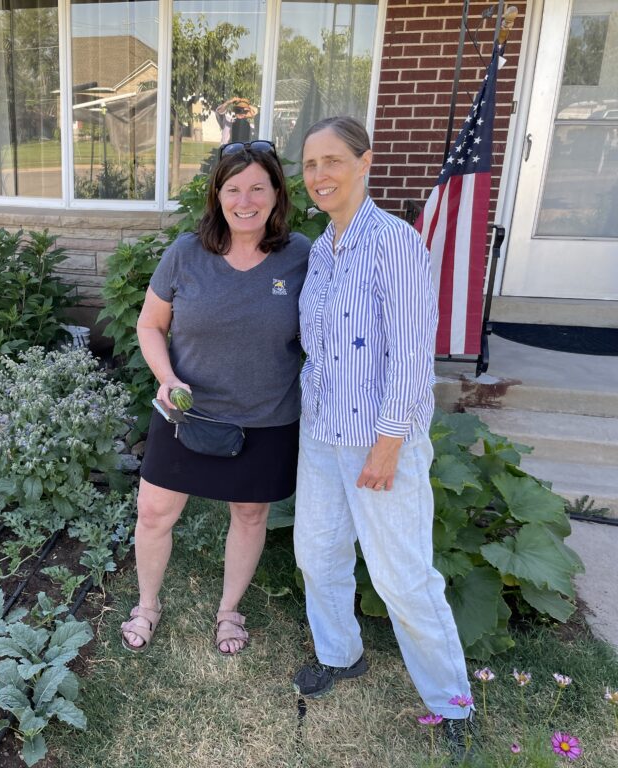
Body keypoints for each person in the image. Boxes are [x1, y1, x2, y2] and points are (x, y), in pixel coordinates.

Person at [292, 116, 475, 756]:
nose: (320, 176)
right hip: (322, 434)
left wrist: (390, 442)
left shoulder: (396, 244)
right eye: (311, 164)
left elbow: (410, 356)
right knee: (317, 555)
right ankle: (341, 655)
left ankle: (451, 700)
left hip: (379, 438)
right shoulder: (321, 249)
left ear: (364, 162)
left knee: (401, 576)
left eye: (333, 161)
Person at [121, 141, 310, 656]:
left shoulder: (301, 256)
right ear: (217, 195)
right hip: (186, 413)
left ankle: (229, 613)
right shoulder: (185, 253)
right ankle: (147, 605)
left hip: (266, 419)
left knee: (249, 515)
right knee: (154, 513)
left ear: (276, 193)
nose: (244, 200)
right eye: (233, 189)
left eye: (257, 187)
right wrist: (165, 376)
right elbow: (150, 324)